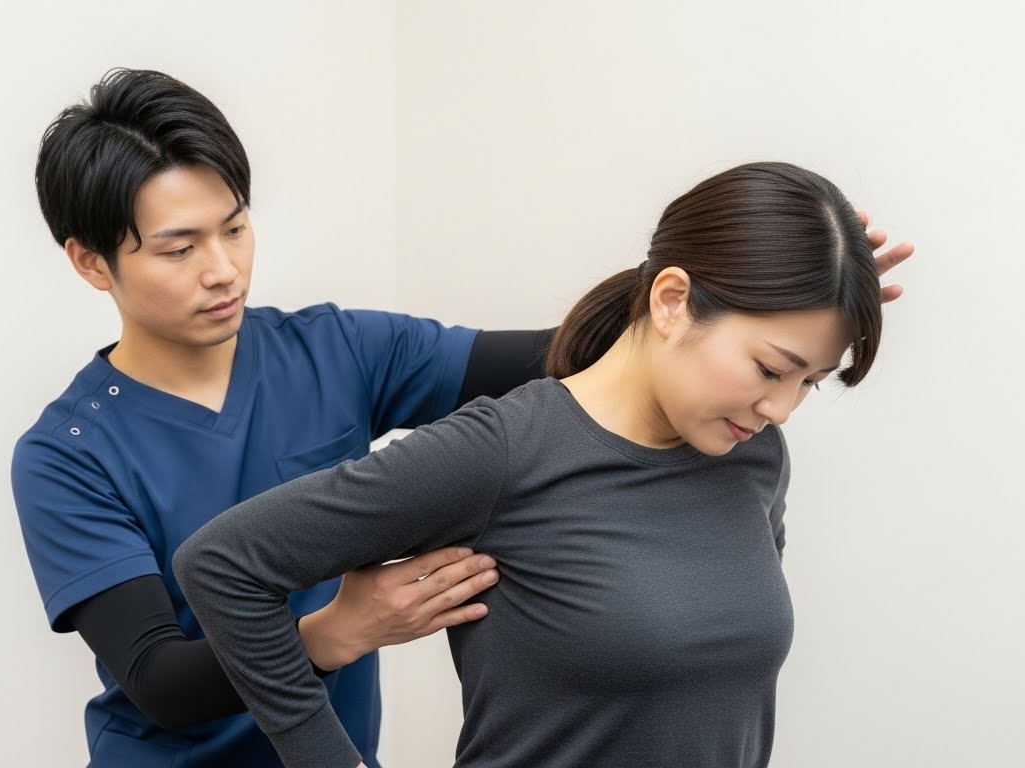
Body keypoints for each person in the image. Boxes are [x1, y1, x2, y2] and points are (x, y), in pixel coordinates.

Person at [174, 161, 913, 768]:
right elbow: (225, 565)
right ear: (671, 301)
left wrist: (822, 276)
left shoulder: (752, 454)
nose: (781, 408)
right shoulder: (503, 451)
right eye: (769, 368)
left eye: (809, 382)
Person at [11, 68, 566, 768]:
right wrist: (339, 632)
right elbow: (160, 681)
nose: (224, 270)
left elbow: (555, 356)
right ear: (91, 262)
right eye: (180, 249)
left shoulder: (336, 351)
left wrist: (673, 301)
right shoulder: (68, 454)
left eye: (235, 228)